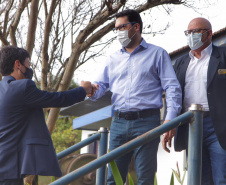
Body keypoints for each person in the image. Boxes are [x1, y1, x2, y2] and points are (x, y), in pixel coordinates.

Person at [90, 9, 182, 185]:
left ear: (136, 27)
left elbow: (172, 87)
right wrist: (90, 90)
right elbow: (100, 86)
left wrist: (170, 119)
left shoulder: (157, 54)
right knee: (113, 179)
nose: (118, 32)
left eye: (122, 27)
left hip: (147, 122)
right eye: (116, 29)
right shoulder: (112, 58)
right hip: (118, 122)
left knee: (145, 178)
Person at [0, 46, 92, 185]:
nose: (30, 68)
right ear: (18, 64)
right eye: (28, 64)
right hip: (9, 168)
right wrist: (83, 90)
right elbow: (58, 99)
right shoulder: (22, 87)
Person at [162, 17, 226, 185]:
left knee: (221, 177)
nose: (191, 35)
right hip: (191, 125)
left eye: (196, 31)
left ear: (209, 34)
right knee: (198, 178)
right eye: (188, 32)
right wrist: (170, 124)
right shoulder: (181, 63)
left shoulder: (223, 55)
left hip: (218, 125)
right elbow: (173, 94)